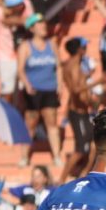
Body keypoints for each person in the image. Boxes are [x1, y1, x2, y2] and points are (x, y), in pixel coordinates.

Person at [17, 13, 63, 167]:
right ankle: (24, 157)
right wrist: (27, 84)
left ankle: (56, 156)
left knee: (52, 123)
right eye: (39, 24)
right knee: (30, 124)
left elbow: (58, 66)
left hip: (49, 89)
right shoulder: (26, 46)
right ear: (32, 28)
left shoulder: (52, 44)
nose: (44, 27)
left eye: (44, 23)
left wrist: (60, 84)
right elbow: (21, 69)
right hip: (33, 90)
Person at [61, 37, 96, 183]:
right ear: (79, 50)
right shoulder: (74, 65)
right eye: (84, 47)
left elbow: (77, 82)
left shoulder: (73, 64)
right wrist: (98, 81)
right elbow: (75, 89)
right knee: (80, 150)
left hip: (82, 111)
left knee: (95, 142)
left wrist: (89, 75)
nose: (86, 50)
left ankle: (85, 173)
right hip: (78, 113)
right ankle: (61, 180)